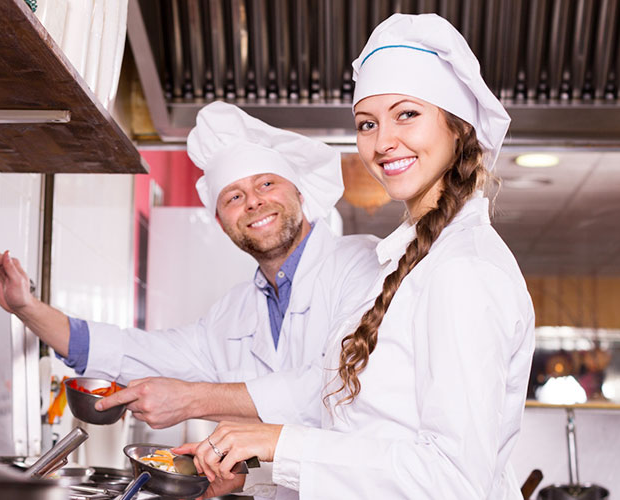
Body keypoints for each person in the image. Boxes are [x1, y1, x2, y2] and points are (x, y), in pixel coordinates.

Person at [182, 14, 536, 499]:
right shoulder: (406, 260)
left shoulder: (463, 270)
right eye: (367, 123)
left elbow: (454, 480)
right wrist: (258, 462)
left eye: (406, 114)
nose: (383, 142)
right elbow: (370, 439)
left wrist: (281, 443)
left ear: (458, 127)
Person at [0, 101, 379, 497]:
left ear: (300, 192)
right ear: (221, 222)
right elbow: (139, 353)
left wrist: (192, 399)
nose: (254, 201)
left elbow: (337, 388)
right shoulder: (234, 311)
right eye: (233, 197)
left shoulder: (362, 266)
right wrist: (26, 307)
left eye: (266, 184)